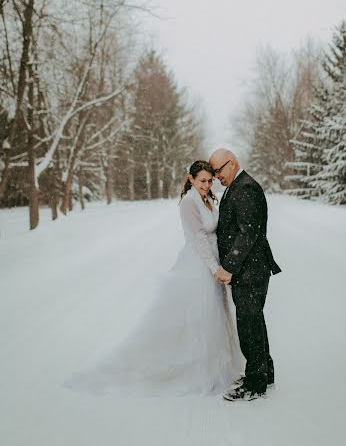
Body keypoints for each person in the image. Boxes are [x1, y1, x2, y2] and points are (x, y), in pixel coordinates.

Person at [64, 160, 244, 397]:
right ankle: (194, 369)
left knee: (214, 315)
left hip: (213, 262)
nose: (207, 184)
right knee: (199, 315)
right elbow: (199, 238)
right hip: (199, 265)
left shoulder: (208, 198)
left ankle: (214, 364)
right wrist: (214, 269)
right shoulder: (189, 202)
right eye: (202, 180)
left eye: (210, 180)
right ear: (191, 179)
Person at [209, 149, 282, 402]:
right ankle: (264, 373)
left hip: (251, 272)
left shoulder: (246, 188)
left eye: (219, 170)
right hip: (248, 271)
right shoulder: (237, 185)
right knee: (254, 323)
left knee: (249, 326)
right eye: (214, 171)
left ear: (233, 163)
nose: (217, 176)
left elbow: (247, 234)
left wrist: (228, 267)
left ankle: (255, 383)